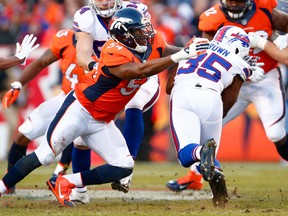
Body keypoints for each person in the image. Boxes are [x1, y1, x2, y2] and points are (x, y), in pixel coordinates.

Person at [0, 8, 209, 207]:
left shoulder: (150, 43)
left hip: (102, 120)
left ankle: (65, 182)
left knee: (124, 166)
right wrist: (180, 56)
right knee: (45, 155)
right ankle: (2, 187)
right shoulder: (112, 50)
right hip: (80, 109)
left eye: (144, 29)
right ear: (124, 35)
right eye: (138, 31)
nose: (146, 34)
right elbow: (138, 70)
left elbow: (165, 51)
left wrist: (190, 50)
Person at [166, 0, 288, 193]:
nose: (233, 4)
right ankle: (195, 177)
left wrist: (282, 37)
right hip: (231, 80)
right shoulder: (212, 18)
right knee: (204, 129)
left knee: (276, 134)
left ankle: (202, 169)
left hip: (265, 78)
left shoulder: (263, 7)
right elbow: (207, 50)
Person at [166, 25, 264, 207]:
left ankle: (201, 152)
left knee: (187, 155)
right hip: (212, 98)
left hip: (184, 93)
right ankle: (219, 194)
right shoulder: (240, 63)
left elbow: (169, 87)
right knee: (210, 161)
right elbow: (228, 102)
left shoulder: (197, 43)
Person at [72, 0, 159, 194]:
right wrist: (98, 69)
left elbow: (151, 46)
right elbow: (83, 55)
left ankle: (126, 173)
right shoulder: (86, 16)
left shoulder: (136, 10)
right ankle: (79, 192)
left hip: (139, 74)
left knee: (133, 104)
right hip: (109, 79)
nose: (104, 2)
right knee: (81, 137)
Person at [1, 29, 96, 203]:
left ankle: (61, 174)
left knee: (75, 138)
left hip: (86, 103)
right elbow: (41, 62)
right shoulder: (65, 39)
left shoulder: (104, 46)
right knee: (23, 133)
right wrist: (18, 83)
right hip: (64, 97)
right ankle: (10, 182)